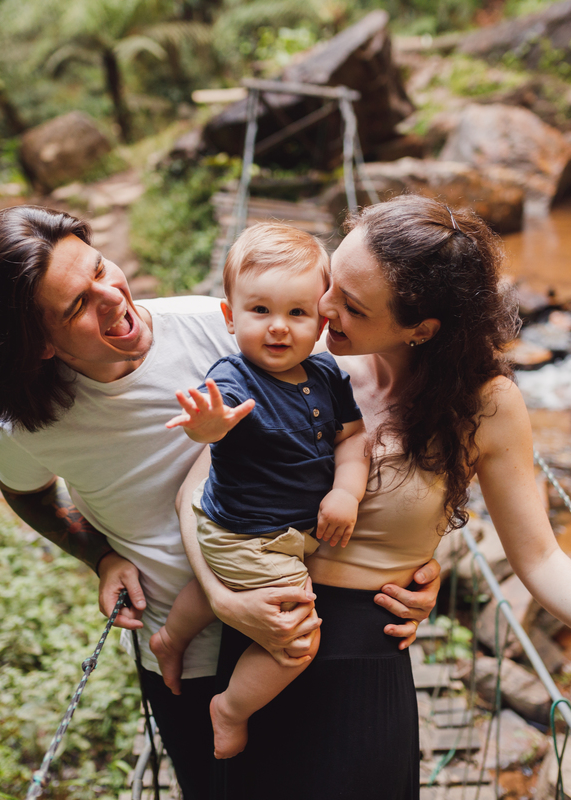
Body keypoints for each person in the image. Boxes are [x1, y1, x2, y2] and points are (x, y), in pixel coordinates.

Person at [174, 195, 571, 800]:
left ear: (421, 329)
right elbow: (199, 487)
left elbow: (538, 556)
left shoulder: (486, 406)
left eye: (350, 304)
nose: (322, 310)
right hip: (258, 638)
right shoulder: (299, 352)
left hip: (360, 672)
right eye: (332, 282)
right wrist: (224, 598)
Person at [0, 205, 442, 800]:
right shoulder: (22, 421)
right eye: (78, 305)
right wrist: (98, 556)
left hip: (289, 623)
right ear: (40, 345)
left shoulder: (221, 326)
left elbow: (350, 435)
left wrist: (412, 558)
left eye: (102, 268)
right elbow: (25, 494)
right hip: (181, 657)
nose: (113, 298)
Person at [149, 223, 369, 759]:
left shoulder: (327, 374)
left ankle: (171, 638)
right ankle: (231, 708)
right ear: (229, 317)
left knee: (216, 585)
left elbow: (353, 438)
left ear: (322, 319)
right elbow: (216, 418)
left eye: (297, 313)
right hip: (248, 536)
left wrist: (346, 492)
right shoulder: (235, 377)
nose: (278, 328)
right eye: (259, 311)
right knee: (297, 640)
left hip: (271, 531)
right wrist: (208, 426)